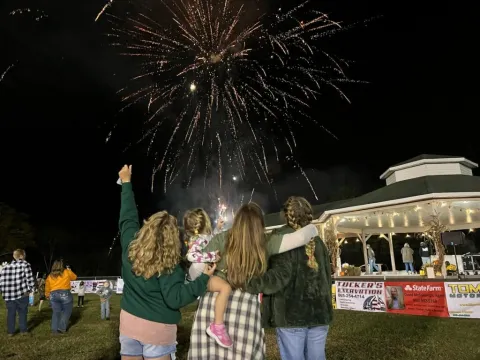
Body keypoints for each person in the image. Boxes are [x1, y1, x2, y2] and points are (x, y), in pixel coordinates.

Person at [187, 202, 319, 360]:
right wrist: (313, 227)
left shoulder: (221, 238)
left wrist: (204, 279)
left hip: (214, 306)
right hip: (246, 305)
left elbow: (196, 268)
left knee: (208, 354)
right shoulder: (267, 241)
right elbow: (302, 237)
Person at [117, 165, 215, 360]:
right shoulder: (169, 266)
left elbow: (127, 218)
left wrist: (126, 184)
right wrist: (204, 278)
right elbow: (175, 298)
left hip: (128, 325)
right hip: (157, 331)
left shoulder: (130, 248)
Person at [247, 196, 333, 360]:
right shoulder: (318, 241)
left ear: (285, 215)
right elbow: (327, 278)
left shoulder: (281, 240)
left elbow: (277, 279)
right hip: (320, 313)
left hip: (291, 315)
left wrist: (248, 283)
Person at [185, 209, 233, 348]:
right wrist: (211, 256)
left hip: (202, 272)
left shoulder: (204, 237)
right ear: (205, 221)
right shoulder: (199, 239)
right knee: (225, 287)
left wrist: (218, 228)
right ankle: (217, 327)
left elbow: (211, 240)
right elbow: (190, 255)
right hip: (200, 274)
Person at [0, 249, 35, 336]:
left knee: (11, 313)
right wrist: (32, 289)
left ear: (14, 256)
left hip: (8, 294)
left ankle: (10, 332)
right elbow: (30, 279)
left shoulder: (6, 267)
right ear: (22, 256)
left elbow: (1, 281)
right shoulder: (25, 264)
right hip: (21, 293)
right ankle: (23, 330)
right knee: (22, 312)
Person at [45, 260, 77, 334]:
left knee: (56, 312)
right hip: (65, 293)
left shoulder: (50, 275)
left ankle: (54, 330)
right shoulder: (66, 271)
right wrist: (69, 270)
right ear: (62, 265)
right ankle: (62, 328)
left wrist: (47, 295)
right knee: (67, 311)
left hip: (53, 294)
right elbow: (74, 277)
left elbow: (47, 286)